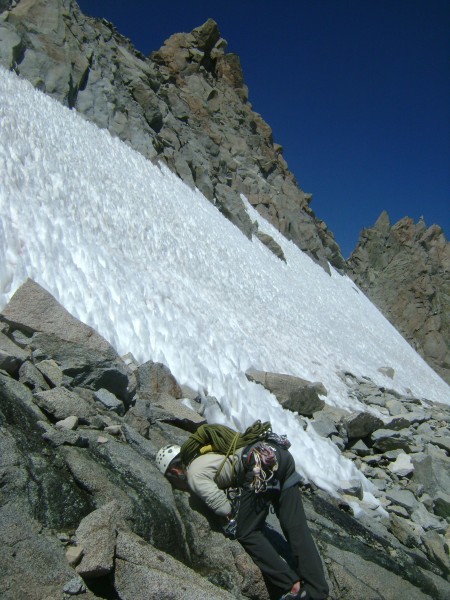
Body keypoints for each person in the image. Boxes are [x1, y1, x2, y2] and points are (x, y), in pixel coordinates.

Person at [156, 424, 329, 600]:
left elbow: (224, 508)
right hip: (278, 454)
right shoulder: (209, 452)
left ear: (175, 471)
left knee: (247, 532)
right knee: (297, 528)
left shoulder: (194, 474)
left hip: (260, 466)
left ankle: (292, 586)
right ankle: (317, 590)